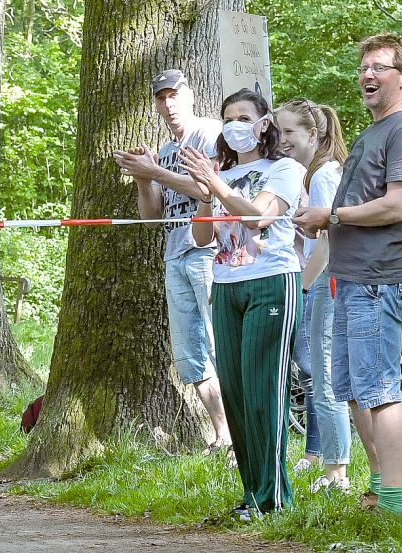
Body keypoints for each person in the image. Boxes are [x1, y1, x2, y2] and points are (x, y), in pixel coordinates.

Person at [294, 33, 402, 517]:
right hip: (348, 278)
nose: (367, 76)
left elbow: (396, 206)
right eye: (363, 69)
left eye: (379, 67)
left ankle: (394, 500)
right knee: (352, 391)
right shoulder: (373, 131)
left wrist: (329, 217)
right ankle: (377, 487)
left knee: (379, 391)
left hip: (379, 278)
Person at [182, 88, 306, 518]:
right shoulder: (222, 174)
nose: (235, 125)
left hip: (272, 281)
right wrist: (204, 194)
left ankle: (274, 498)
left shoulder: (285, 168)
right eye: (228, 118)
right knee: (234, 393)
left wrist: (215, 183)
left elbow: (258, 216)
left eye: (243, 117)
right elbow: (201, 239)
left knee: (263, 392)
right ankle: (252, 495)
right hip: (227, 283)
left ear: (262, 123)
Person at [112, 69, 232, 456]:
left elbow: (208, 189)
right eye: (161, 98)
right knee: (189, 353)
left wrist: (156, 172)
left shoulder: (211, 134)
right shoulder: (164, 150)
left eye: (174, 95)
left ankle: (241, 435)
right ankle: (223, 436)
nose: (168, 104)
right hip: (174, 253)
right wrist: (144, 180)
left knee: (219, 344)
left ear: (190, 95)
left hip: (209, 252)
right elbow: (152, 218)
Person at [276, 99, 352, 493]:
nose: (282, 139)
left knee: (324, 376)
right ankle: (332, 463)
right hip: (329, 280)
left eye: (289, 132)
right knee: (322, 374)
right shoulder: (317, 174)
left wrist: (302, 287)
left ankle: (336, 469)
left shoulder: (323, 175)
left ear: (313, 134)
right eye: (280, 131)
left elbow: (328, 244)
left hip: (327, 281)